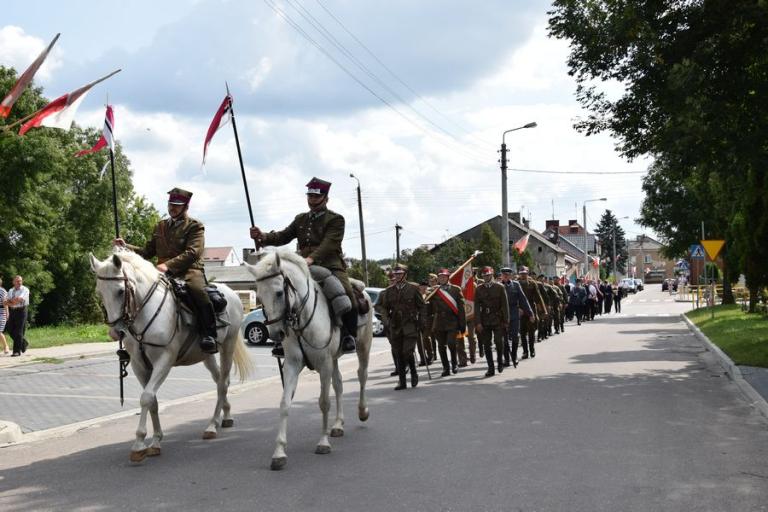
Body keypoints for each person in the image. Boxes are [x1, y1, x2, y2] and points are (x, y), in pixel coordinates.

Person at [250, 177, 357, 357]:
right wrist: (263, 236)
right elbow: (284, 236)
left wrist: (311, 259)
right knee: (283, 294)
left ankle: (348, 335)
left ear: (326, 198)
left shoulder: (336, 219)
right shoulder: (300, 219)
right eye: (310, 196)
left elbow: (329, 244)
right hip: (303, 265)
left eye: (316, 196)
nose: (312, 200)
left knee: (347, 295)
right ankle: (285, 339)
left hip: (330, 266)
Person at [114, 188, 218, 354]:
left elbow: (193, 252)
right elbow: (148, 251)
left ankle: (209, 334)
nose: (172, 208)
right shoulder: (161, 226)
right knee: (136, 291)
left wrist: (168, 265)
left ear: (186, 206)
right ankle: (131, 337)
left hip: (189, 271)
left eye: (177, 205)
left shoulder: (195, 226)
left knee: (199, 292)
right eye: (170, 204)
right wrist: (126, 247)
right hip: (161, 271)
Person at [378, 264, 426, 390]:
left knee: (407, 351)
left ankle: (414, 372)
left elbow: (422, 306)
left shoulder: (413, 288)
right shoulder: (389, 291)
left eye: (400, 273)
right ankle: (402, 381)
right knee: (399, 354)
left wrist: (422, 321)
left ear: (405, 275)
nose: (397, 276)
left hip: (410, 324)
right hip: (395, 326)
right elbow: (383, 307)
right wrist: (386, 320)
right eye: (396, 274)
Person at [429, 268, 466, 376]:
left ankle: (454, 363)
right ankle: (446, 367)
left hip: (452, 321)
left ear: (448, 277)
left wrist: (462, 324)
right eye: (440, 277)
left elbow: (461, 308)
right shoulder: (434, 290)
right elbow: (427, 306)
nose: (442, 278)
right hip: (439, 322)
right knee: (441, 346)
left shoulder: (455, 289)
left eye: (444, 276)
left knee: (451, 343)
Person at [474, 267, 510, 377]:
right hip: (485, 319)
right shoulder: (479, 289)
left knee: (499, 342)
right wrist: (478, 322)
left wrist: (506, 320)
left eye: (488, 275)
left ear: (492, 275)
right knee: (486, 345)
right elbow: (476, 307)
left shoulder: (499, 287)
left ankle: (500, 360)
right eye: (484, 275)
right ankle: (490, 367)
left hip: (498, 318)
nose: (486, 277)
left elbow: (505, 305)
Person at [499, 267, 532, 367]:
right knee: (503, 339)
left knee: (515, 337)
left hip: (513, 313)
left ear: (511, 275)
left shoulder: (516, 285)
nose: (506, 276)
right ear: (501, 275)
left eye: (508, 274)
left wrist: (530, 313)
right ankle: (506, 359)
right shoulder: (498, 286)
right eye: (504, 274)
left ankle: (514, 356)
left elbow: (523, 299)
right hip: (501, 315)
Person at [517, 267, 545, 359]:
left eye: (524, 273)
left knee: (531, 332)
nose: (523, 275)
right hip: (521, 311)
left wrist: (543, 310)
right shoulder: (516, 284)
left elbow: (538, 297)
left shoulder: (532, 283)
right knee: (522, 332)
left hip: (531, 310)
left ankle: (532, 349)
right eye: (521, 273)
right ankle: (525, 352)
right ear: (519, 274)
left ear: (527, 273)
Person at [6, 275, 30, 356]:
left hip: (21, 311)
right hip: (12, 311)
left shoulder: (25, 289)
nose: (19, 282)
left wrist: (11, 301)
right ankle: (23, 343)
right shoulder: (10, 290)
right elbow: (5, 302)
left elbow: (20, 300)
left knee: (19, 331)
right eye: (17, 281)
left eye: (20, 281)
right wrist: (12, 301)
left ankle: (16, 351)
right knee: (10, 329)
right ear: (13, 282)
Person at [0, 278, 9, 355]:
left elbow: (5, 304)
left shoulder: (2, 291)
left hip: (1, 313)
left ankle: (6, 346)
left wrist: (7, 314)